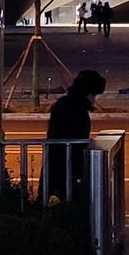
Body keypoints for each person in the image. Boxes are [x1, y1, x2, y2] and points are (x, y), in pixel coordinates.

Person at [44, 69, 106, 205]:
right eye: (93, 95)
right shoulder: (76, 108)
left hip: (57, 165)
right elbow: (76, 137)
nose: (94, 99)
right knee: (66, 203)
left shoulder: (64, 104)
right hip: (66, 167)